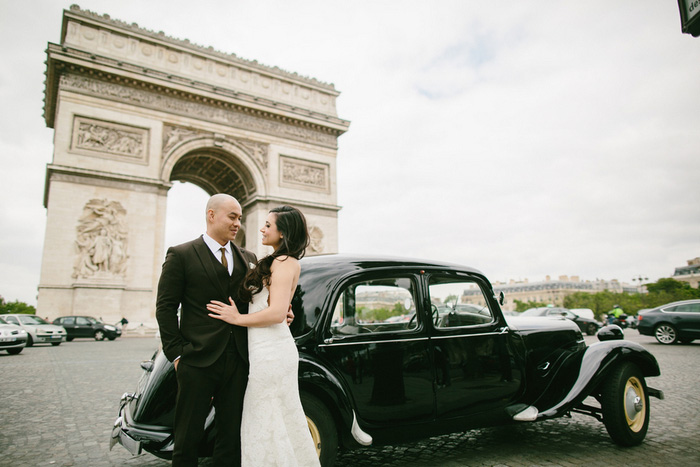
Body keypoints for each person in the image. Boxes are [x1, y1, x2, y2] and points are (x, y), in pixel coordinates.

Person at [207, 205, 320, 467]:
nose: (262, 228)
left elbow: (277, 313)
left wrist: (237, 319)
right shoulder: (283, 261)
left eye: (268, 225)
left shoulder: (282, 262)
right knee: (274, 421)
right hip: (268, 349)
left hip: (271, 353)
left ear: (283, 233)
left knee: (263, 419)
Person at [155, 193, 258, 467]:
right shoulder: (181, 254)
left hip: (237, 359)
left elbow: (258, 302)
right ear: (211, 215)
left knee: (230, 436)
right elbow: (165, 308)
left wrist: (284, 309)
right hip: (196, 361)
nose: (238, 223)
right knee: (187, 437)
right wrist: (177, 355)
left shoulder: (249, 258)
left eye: (240, 218)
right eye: (232, 217)